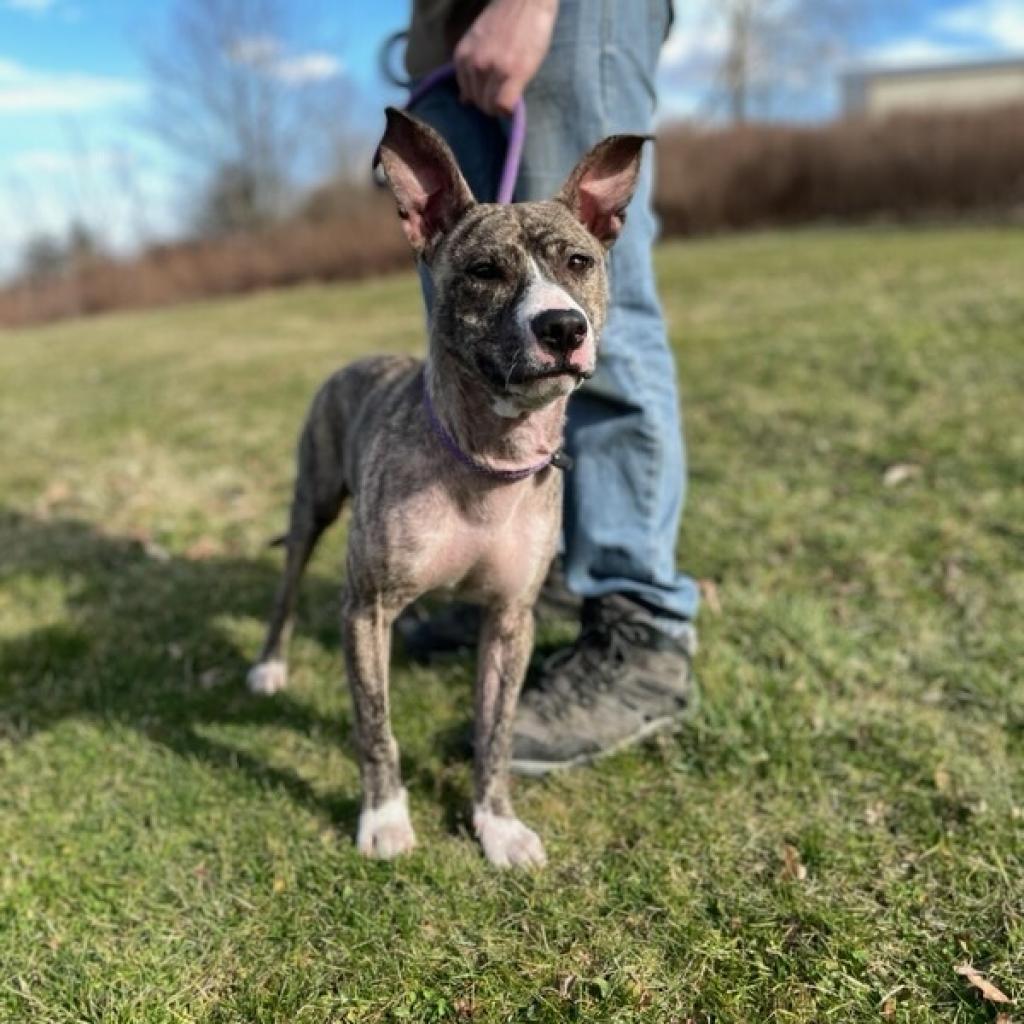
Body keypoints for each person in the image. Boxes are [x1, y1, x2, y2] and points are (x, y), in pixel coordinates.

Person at [399, 0, 700, 775]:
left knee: (594, 313)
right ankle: (521, 581)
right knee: (470, 328)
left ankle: (642, 629)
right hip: (444, 32)